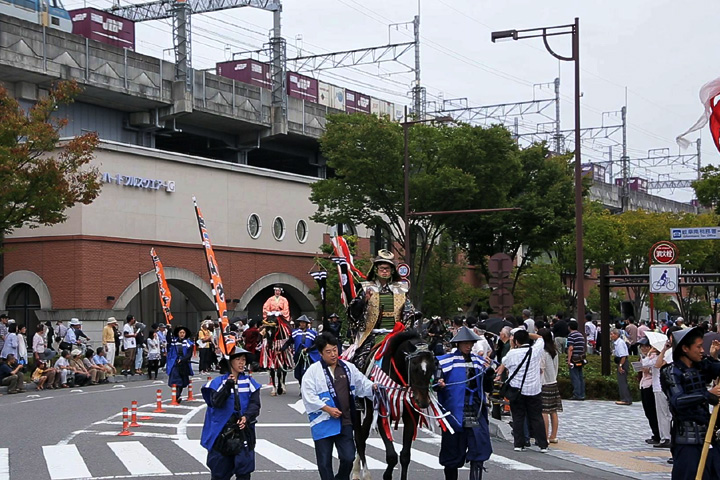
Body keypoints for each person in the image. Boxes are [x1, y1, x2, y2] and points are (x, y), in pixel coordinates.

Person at [301, 332, 376, 480]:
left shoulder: (348, 368)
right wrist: (327, 408)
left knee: (348, 457)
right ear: (321, 353)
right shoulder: (312, 372)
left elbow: (363, 384)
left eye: (335, 350)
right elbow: (308, 395)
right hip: (323, 423)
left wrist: (374, 387)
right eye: (328, 352)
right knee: (324, 463)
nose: (333, 354)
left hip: (345, 421)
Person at [661, 326, 720, 479]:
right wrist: (707, 395)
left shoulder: (700, 367)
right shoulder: (671, 371)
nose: (702, 350)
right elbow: (677, 401)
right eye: (698, 346)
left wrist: (713, 358)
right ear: (685, 348)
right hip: (687, 440)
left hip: (708, 436)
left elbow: (715, 369)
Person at [436, 326, 494, 480]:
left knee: (479, 447)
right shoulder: (446, 361)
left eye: (471, 343)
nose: (469, 346)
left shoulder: (479, 361)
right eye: (465, 343)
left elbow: (488, 386)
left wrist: (489, 373)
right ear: (458, 344)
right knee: (452, 450)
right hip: (454, 411)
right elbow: (435, 383)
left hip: (475, 408)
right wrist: (439, 383)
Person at [201, 347, 261, 480]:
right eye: (238, 359)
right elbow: (216, 402)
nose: (242, 363)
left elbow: (255, 404)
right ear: (230, 362)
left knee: (244, 471)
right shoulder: (217, 383)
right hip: (221, 433)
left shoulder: (250, 382)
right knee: (220, 472)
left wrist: (246, 417)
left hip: (243, 431)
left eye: (244, 360)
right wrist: (228, 385)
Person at [347, 249, 415, 366]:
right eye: (382, 268)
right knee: (359, 362)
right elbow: (353, 313)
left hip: (396, 334)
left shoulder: (401, 289)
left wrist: (409, 321)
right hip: (371, 335)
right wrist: (364, 301)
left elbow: (409, 310)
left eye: (387, 269)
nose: (384, 271)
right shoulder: (365, 288)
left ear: (392, 271)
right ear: (376, 269)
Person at [495, 329, 548, 453]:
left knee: (518, 417)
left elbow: (505, 363)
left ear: (516, 341)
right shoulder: (535, 351)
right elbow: (540, 338)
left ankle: (519, 444)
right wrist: (526, 334)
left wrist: (513, 344)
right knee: (536, 417)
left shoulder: (511, 354)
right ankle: (542, 444)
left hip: (516, 390)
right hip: (534, 389)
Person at [538, 328, 562, 444]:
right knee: (553, 411)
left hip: (544, 383)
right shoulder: (554, 351)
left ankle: (545, 436)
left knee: (544, 411)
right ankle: (553, 436)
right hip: (553, 382)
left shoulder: (543, 352)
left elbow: (541, 370)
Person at [283, 315, 319, 386]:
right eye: (301, 323)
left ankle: (306, 386)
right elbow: (289, 342)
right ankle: (301, 385)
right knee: (298, 373)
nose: (302, 324)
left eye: (304, 323)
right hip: (298, 354)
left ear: (306, 324)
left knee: (306, 371)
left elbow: (316, 344)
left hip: (308, 355)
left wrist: (308, 349)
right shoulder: (295, 332)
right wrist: (282, 349)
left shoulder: (312, 333)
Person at [638, 337, 660, 445]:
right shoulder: (644, 356)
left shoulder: (655, 356)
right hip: (644, 384)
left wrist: (647, 369)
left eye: (646, 346)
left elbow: (652, 369)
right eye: (642, 346)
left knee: (652, 411)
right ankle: (655, 433)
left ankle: (658, 434)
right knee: (647, 411)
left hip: (650, 385)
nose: (643, 348)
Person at [167, 325, 194, 402]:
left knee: (182, 381)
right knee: (175, 380)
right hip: (174, 364)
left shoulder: (189, 343)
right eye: (180, 332)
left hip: (184, 364)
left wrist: (182, 359)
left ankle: (177, 395)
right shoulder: (173, 342)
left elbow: (189, 354)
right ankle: (176, 396)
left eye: (183, 332)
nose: (182, 334)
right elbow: (168, 340)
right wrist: (169, 330)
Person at [566, 319, 586, 401]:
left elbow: (571, 348)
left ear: (569, 327)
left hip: (574, 359)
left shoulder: (571, 336)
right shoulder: (581, 335)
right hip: (580, 358)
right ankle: (582, 394)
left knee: (575, 377)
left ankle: (577, 394)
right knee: (580, 376)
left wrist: (569, 360)